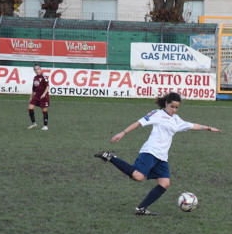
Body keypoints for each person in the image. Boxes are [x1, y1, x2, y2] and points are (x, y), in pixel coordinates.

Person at [94, 92, 222, 216]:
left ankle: (141, 208)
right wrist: (123, 133)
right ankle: (111, 157)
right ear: (166, 103)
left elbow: (192, 125)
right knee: (138, 177)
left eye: (176, 107)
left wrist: (209, 128)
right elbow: (139, 123)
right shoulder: (157, 114)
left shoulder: (176, 120)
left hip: (162, 157)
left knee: (165, 183)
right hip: (150, 151)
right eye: (172, 106)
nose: (174, 110)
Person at [27, 63, 50, 130]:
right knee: (30, 108)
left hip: (43, 96)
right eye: (35, 69)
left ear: (40, 69)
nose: (37, 70)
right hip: (36, 95)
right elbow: (33, 89)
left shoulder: (44, 77)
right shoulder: (35, 78)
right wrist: (31, 97)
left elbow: (48, 86)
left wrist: (44, 94)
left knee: (44, 109)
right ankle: (33, 123)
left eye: (38, 69)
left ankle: (45, 126)